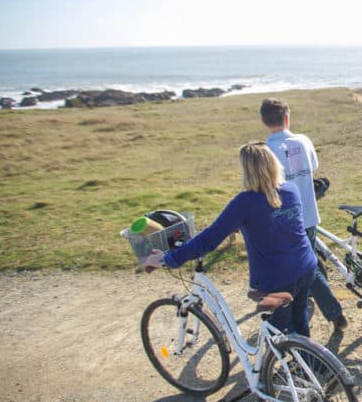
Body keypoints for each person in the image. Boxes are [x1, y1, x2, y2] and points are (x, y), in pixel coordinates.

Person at [143, 142, 317, 337]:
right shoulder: (291, 189)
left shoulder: (244, 202)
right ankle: (313, 364)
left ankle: (293, 363)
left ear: (246, 171)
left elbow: (208, 240)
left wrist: (166, 259)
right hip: (306, 266)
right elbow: (275, 221)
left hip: (277, 279)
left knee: (281, 334)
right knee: (299, 320)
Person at [260, 97, 347, 332]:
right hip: (309, 214)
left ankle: (334, 313)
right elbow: (314, 167)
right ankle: (329, 313)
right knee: (308, 266)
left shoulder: (265, 151)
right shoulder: (303, 141)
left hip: (285, 222)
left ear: (263, 121)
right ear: (287, 118)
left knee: (308, 269)